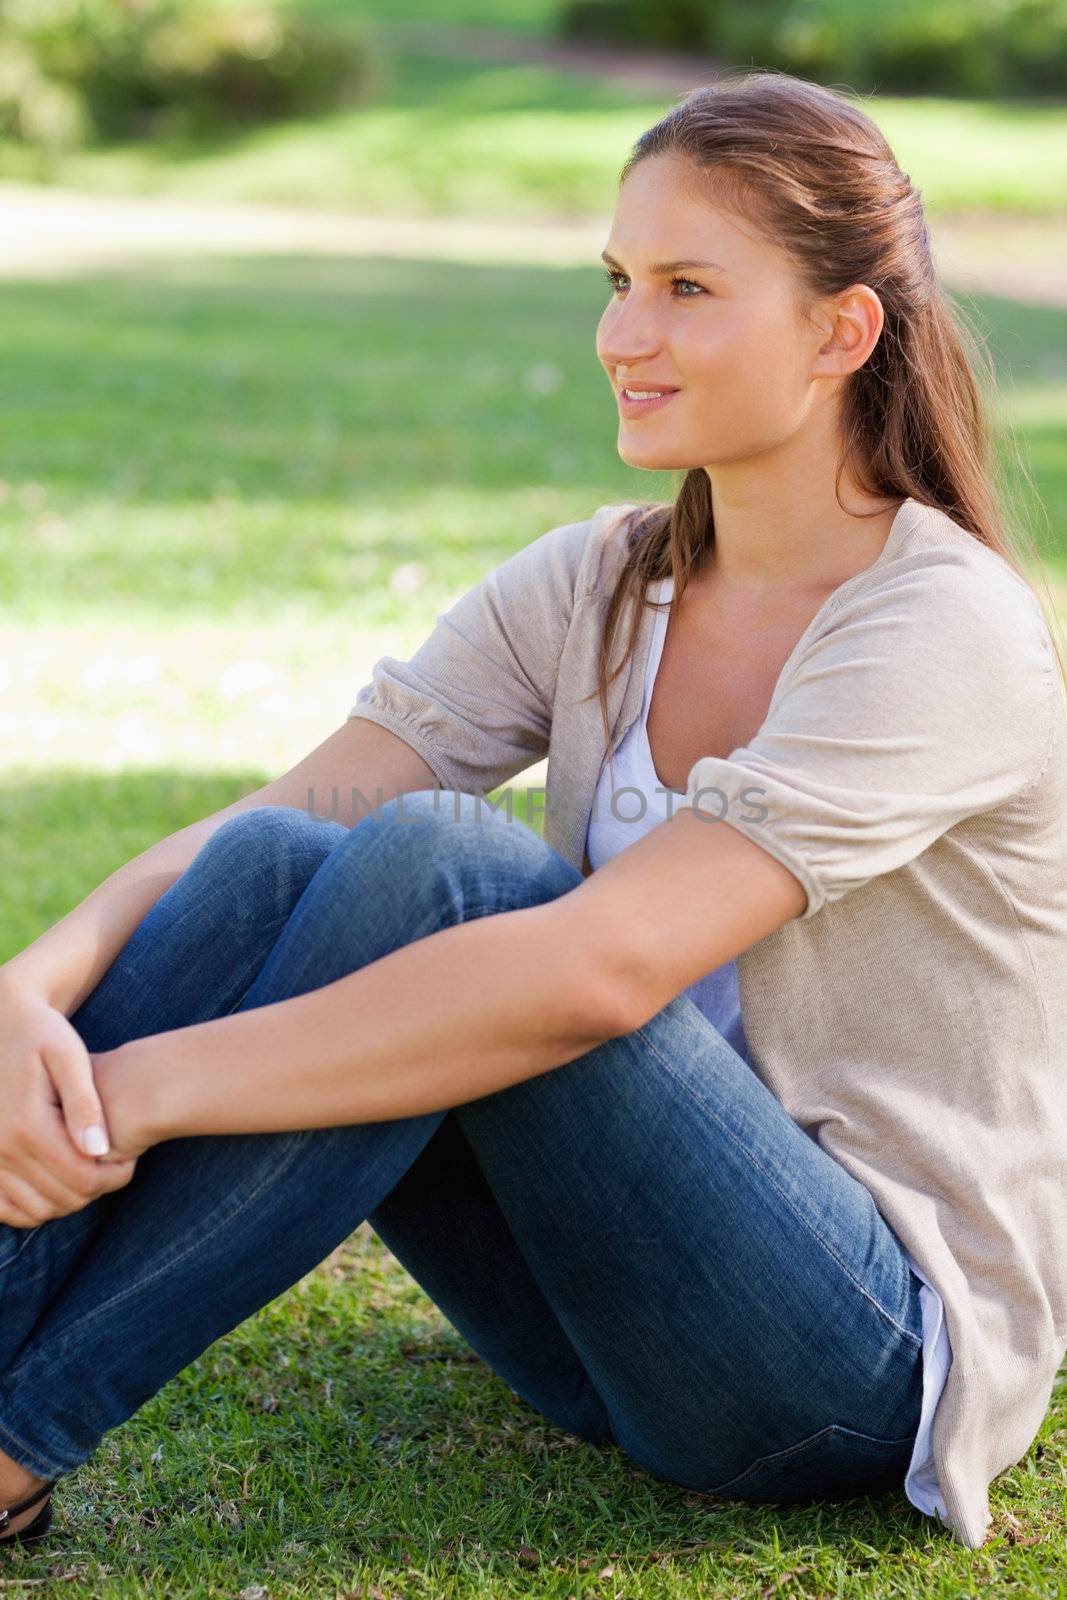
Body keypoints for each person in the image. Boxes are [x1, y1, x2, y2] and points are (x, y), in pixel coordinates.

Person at [1, 69, 1064, 1555]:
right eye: (619, 282)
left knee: (445, 868)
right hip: (592, 1331)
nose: (625, 335)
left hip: (850, 1355)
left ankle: (10, 1439)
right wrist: (32, 987)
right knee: (275, 859)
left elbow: (599, 969)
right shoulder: (600, 584)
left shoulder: (940, 626)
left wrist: (131, 1091)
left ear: (843, 329)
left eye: (689, 288)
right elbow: (293, 807)